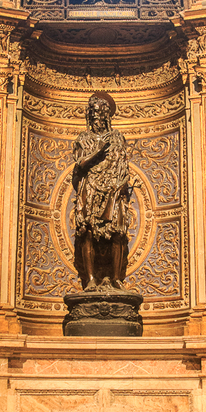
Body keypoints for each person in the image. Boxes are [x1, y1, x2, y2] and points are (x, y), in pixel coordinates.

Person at [72, 93, 131, 291]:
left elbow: (124, 164)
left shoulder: (117, 137)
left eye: (98, 115)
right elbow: (79, 164)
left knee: (116, 231)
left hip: (113, 187)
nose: (95, 119)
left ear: (106, 116)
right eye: (92, 116)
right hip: (90, 187)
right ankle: (90, 279)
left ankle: (115, 279)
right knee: (86, 231)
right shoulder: (84, 138)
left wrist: (121, 185)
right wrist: (97, 153)